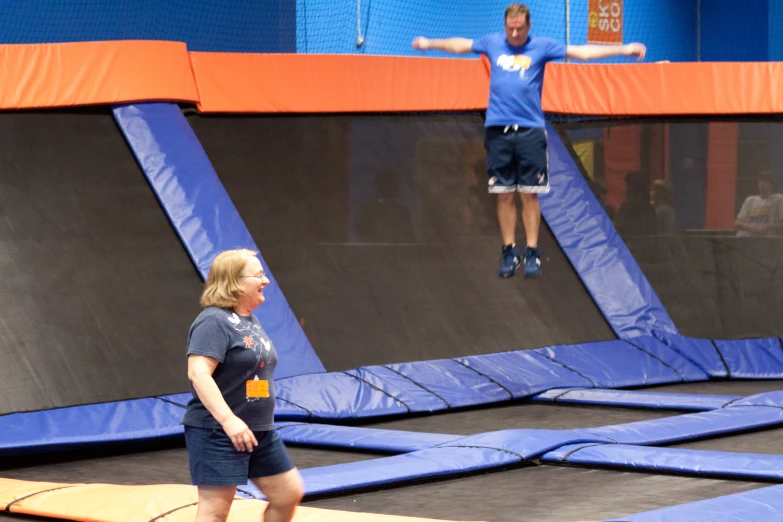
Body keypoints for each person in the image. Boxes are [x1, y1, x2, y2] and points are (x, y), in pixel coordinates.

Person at [412, 3, 646, 278]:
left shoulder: (542, 46)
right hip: (499, 129)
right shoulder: (492, 42)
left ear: (529, 26)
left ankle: (532, 252)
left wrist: (623, 49)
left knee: (528, 193)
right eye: (510, 28)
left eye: (520, 28)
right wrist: (429, 43)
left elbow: (581, 52)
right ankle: (509, 251)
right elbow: (460, 45)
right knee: (503, 195)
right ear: (505, 26)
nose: (514, 33)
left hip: (529, 131)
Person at [182, 249, 303, 522]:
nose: (266, 281)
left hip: (258, 431)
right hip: (218, 431)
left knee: (288, 494)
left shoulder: (248, 319)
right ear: (235, 282)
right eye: (259, 275)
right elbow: (199, 373)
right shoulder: (213, 321)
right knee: (214, 514)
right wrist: (229, 420)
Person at [735, 170, 783, 237]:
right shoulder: (750, 200)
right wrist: (750, 227)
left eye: (765, 182)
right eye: (760, 181)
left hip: (768, 240)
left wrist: (766, 228)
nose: (762, 184)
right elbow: (737, 223)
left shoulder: (779, 199)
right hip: (748, 238)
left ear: (772, 185)